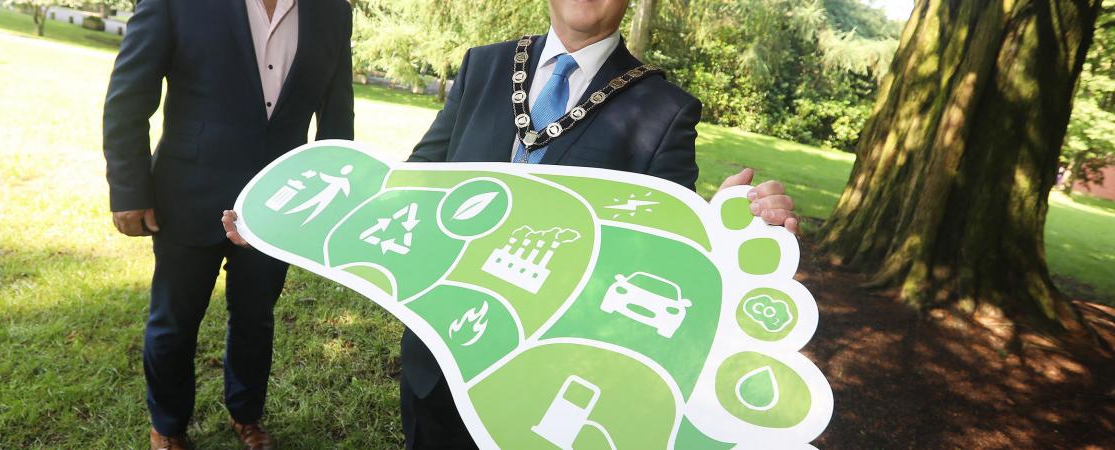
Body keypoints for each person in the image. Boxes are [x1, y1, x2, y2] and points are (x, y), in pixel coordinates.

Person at [399, 0, 798, 448]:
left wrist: (722, 227)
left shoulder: (665, 111)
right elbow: (417, 183)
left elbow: (666, 252)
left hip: (548, 382)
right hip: (437, 358)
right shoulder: (484, 64)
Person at [102, 0, 354, 447]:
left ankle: (246, 415)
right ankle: (167, 425)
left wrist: (325, 203)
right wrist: (129, 189)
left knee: (257, 318)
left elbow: (337, 116)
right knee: (174, 321)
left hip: (281, 204)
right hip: (187, 194)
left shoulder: (333, 11)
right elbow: (129, 96)